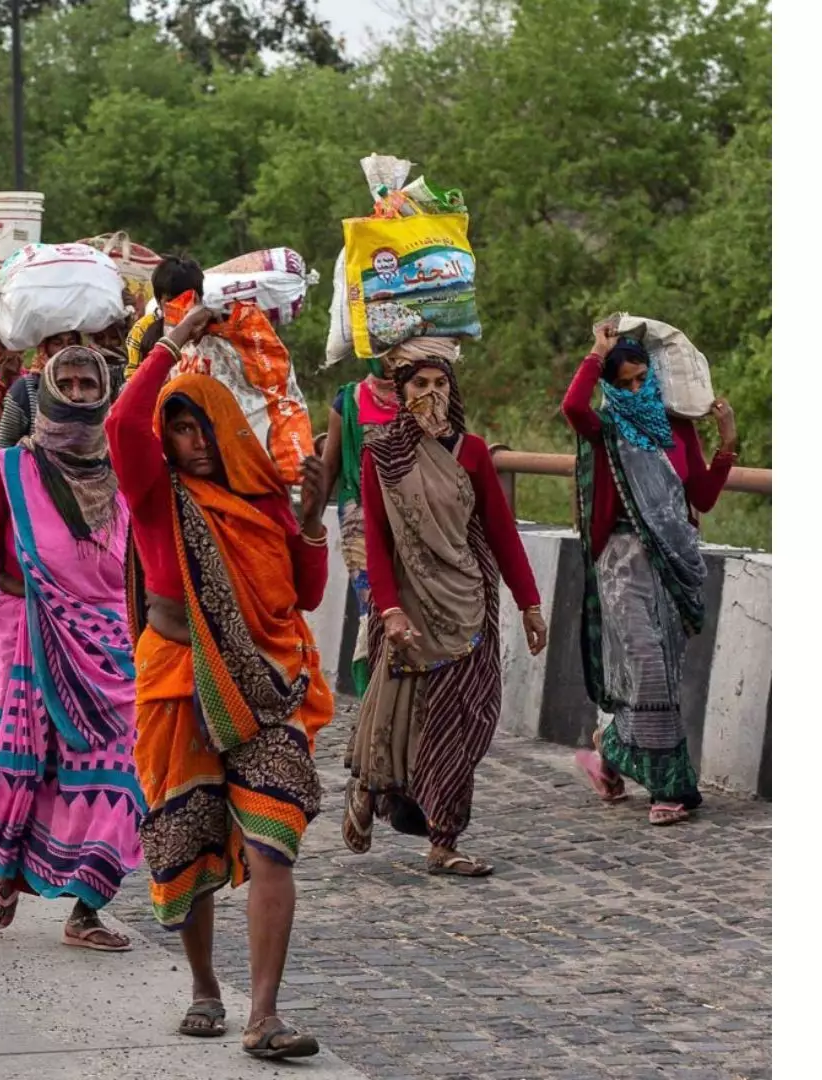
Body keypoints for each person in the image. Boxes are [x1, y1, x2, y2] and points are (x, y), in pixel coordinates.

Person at [109, 300, 331, 1060]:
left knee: (275, 841)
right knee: (188, 841)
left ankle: (263, 1014)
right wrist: (174, 342)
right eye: (176, 428)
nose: (190, 441)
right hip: (178, 684)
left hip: (269, 686)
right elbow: (119, 424)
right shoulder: (153, 495)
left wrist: (310, 522)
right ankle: (204, 986)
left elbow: (304, 595)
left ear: (226, 428)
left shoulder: (264, 499)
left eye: (201, 426)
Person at [0, 345, 144, 949]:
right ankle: (4, 867)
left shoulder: (126, 472)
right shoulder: (10, 467)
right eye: (72, 383)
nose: (83, 392)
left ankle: (86, 908)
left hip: (110, 641)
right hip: (23, 629)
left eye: (92, 384)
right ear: (51, 392)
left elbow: (144, 562)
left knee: (120, 770)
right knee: (27, 763)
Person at [341, 340, 549, 877]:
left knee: (470, 717)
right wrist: (389, 610)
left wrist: (529, 602)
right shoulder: (381, 453)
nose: (432, 394)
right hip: (408, 605)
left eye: (440, 385)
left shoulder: (473, 452)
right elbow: (379, 539)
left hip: (469, 603)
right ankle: (413, 819)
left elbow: (501, 533)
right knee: (402, 718)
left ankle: (441, 829)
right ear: (401, 392)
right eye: (420, 385)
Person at [564, 324, 737, 826]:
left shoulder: (676, 429)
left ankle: (609, 749)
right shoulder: (606, 428)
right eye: (625, 384)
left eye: (643, 380)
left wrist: (727, 443)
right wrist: (595, 353)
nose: (637, 391)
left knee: (663, 671)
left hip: (673, 563)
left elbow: (700, 496)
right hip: (622, 561)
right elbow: (573, 408)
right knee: (647, 665)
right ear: (610, 386)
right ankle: (672, 787)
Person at [318, 350, 406, 698]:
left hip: (410, 517)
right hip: (362, 521)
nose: (392, 361)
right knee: (377, 610)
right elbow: (330, 467)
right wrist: (309, 526)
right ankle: (373, 695)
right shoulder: (350, 400)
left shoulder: (424, 394)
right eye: (385, 352)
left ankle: (404, 701)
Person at [124, 256, 206, 383]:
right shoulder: (145, 332)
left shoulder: (217, 331)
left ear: (199, 298)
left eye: (187, 299)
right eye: (172, 301)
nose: (182, 306)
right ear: (158, 302)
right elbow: (133, 382)